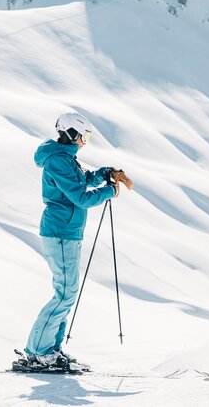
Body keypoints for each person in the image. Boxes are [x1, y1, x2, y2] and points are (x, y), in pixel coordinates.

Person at [22, 112, 132, 370]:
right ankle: (40, 350)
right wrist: (109, 191)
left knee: (66, 293)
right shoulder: (58, 161)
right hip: (60, 232)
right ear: (72, 134)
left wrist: (105, 174)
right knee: (65, 293)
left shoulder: (64, 158)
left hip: (67, 232)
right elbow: (81, 197)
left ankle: (51, 348)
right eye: (85, 136)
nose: (86, 141)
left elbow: (80, 181)